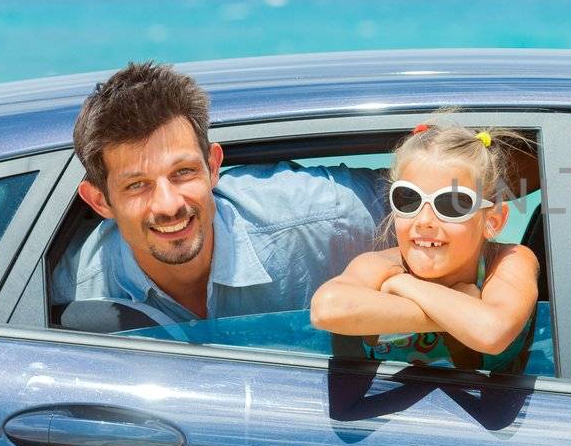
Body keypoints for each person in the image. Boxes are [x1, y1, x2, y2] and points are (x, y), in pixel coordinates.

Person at [52, 61, 383, 323]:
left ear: (213, 167)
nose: (168, 205)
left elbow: (424, 201)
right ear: (99, 200)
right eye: (137, 185)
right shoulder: (68, 291)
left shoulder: (322, 215)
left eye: (183, 172)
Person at [309, 119, 540, 372]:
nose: (425, 220)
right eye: (408, 199)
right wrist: (460, 305)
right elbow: (327, 309)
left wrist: (403, 285)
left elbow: (492, 332)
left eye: (452, 204)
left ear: (492, 220)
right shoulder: (380, 265)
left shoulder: (508, 261)